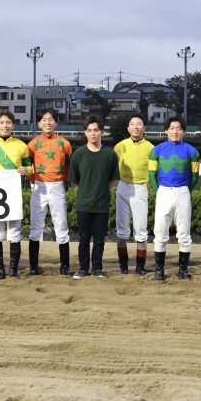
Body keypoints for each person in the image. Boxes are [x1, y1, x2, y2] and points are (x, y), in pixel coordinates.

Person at [0, 109, 32, 279]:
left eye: (8, 122)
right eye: (2, 122)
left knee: (15, 231)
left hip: (14, 193)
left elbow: (30, 167)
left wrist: (27, 170)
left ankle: (14, 269)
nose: (5, 125)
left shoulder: (22, 146)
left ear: (13, 125)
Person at [148, 116, 200, 280]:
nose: (175, 131)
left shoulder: (192, 151)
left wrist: (185, 190)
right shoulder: (156, 150)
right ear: (166, 130)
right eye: (171, 128)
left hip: (183, 192)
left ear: (183, 131)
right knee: (160, 232)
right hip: (163, 191)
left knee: (184, 233)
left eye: (178, 128)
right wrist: (159, 191)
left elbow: (195, 176)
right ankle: (159, 270)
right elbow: (151, 174)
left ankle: (183, 270)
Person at [68, 115, 119, 278]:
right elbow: (75, 181)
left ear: (102, 132)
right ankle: (83, 268)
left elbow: (112, 180)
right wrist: (86, 193)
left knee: (99, 239)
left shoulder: (110, 155)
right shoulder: (78, 155)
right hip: (83, 204)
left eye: (96, 130)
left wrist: (99, 192)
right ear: (85, 133)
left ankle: (97, 268)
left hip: (102, 205)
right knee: (83, 240)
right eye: (89, 130)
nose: (93, 133)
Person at [26, 108, 73, 275]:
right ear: (39, 123)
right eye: (44, 119)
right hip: (39, 186)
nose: (47, 122)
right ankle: (33, 267)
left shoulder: (65, 143)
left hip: (57, 186)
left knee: (61, 225)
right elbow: (27, 167)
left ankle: (65, 266)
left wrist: (63, 181)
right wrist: (35, 181)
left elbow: (69, 166)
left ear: (55, 122)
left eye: (51, 119)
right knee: (36, 226)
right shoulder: (32, 144)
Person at [113, 114, 153, 274]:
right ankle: (123, 266)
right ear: (128, 128)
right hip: (123, 187)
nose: (135, 127)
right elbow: (113, 167)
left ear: (144, 128)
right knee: (122, 229)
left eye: (139, 124)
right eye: (132, 124)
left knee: (141, 229)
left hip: (141, 188)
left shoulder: (151, 148)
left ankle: (140, 267)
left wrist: (147, 186)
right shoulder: (120, 146)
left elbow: (153, 170)